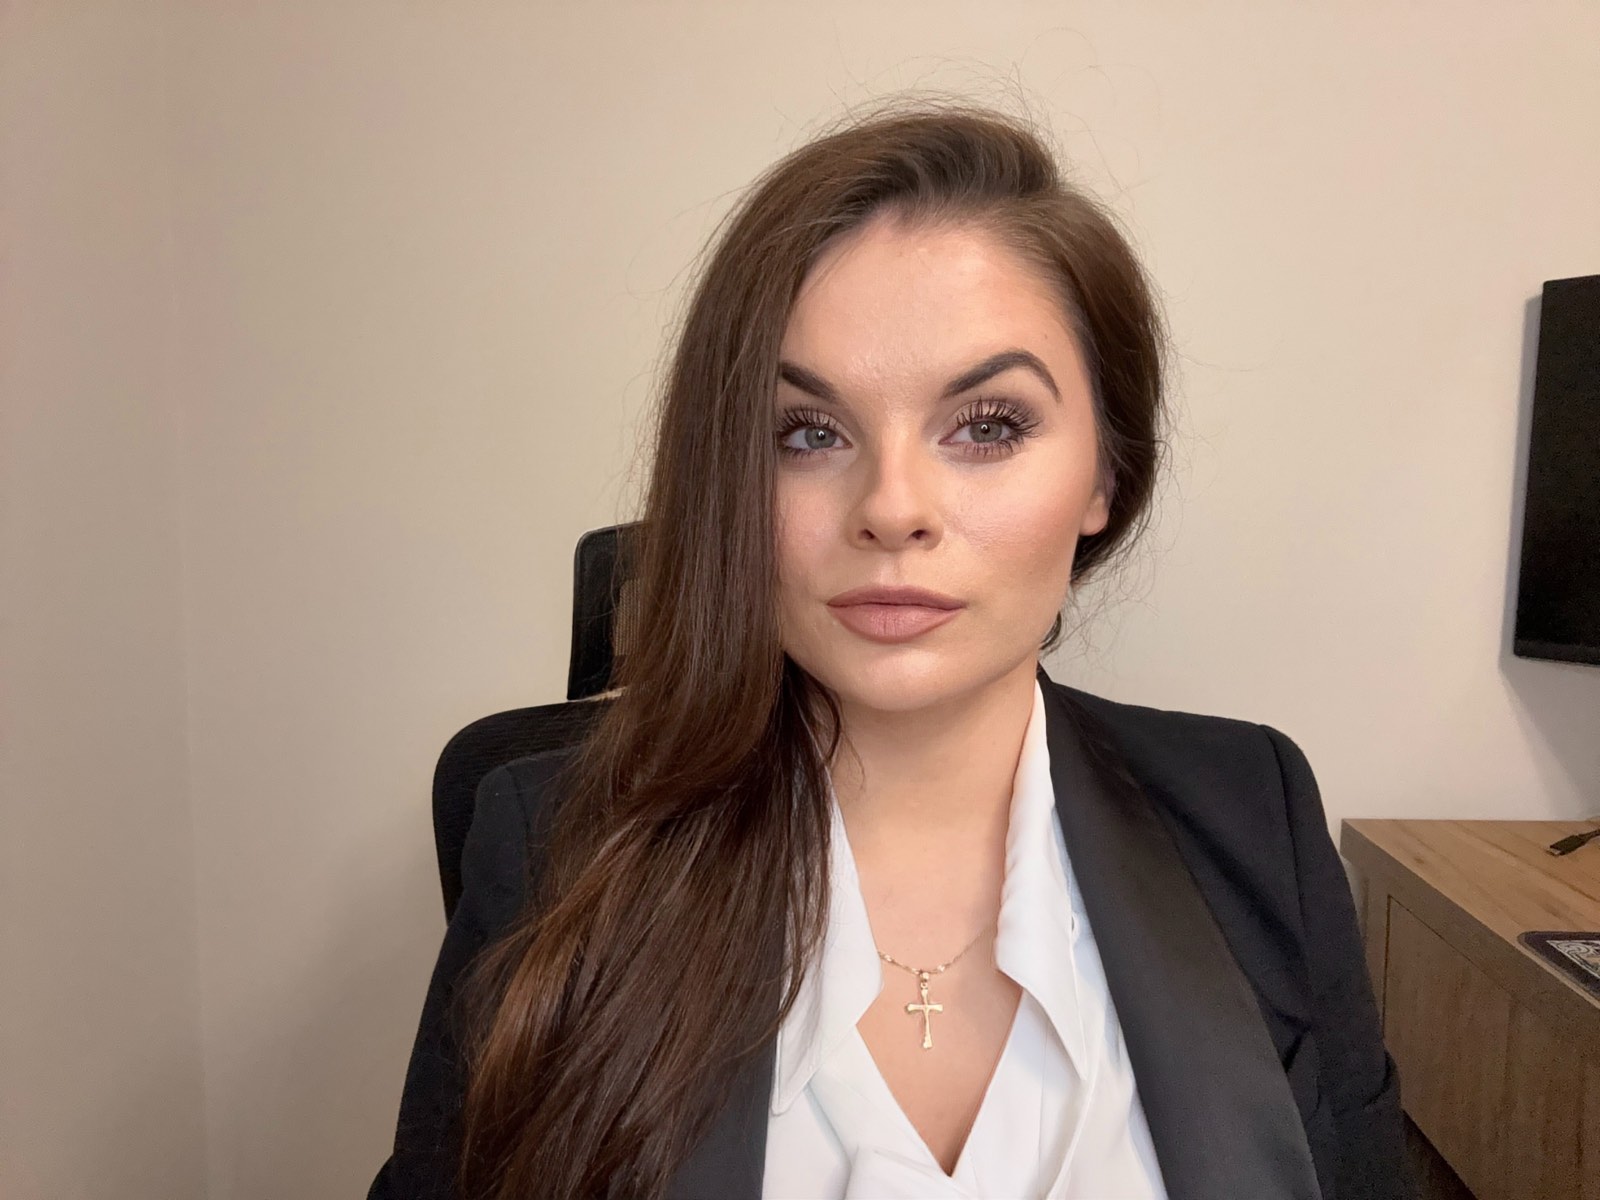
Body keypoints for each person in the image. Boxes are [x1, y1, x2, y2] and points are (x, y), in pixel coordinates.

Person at [367, 97, 1408, 1200]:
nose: (892, 508)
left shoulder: (1255, 814)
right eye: (807, 433)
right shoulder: (548, 845)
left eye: (988, 426)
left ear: (1104, 474)